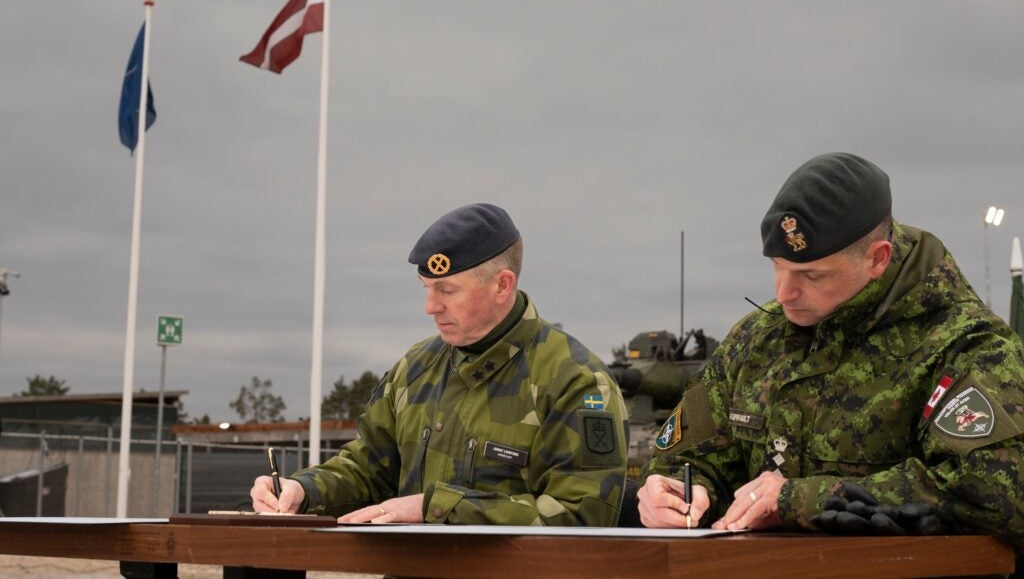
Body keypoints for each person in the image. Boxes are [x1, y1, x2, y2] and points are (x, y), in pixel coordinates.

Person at [637, 153, 1024, 554]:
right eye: (778, 267)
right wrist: (674, 492)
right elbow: (685, 458)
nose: (784, 292)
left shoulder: (965, 346)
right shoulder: (756, 340)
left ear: (877, 259)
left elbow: (997, 492)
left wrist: (797, 501)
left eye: (811, 275)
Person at [251, 202, 628, 525]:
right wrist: (303, 490)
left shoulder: (574, 381)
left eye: (447, 290)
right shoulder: (415, 369)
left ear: (502, 285)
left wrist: (434, 509)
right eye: (427, 289)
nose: (430, 307)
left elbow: (582, 515)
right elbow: (369, 468)